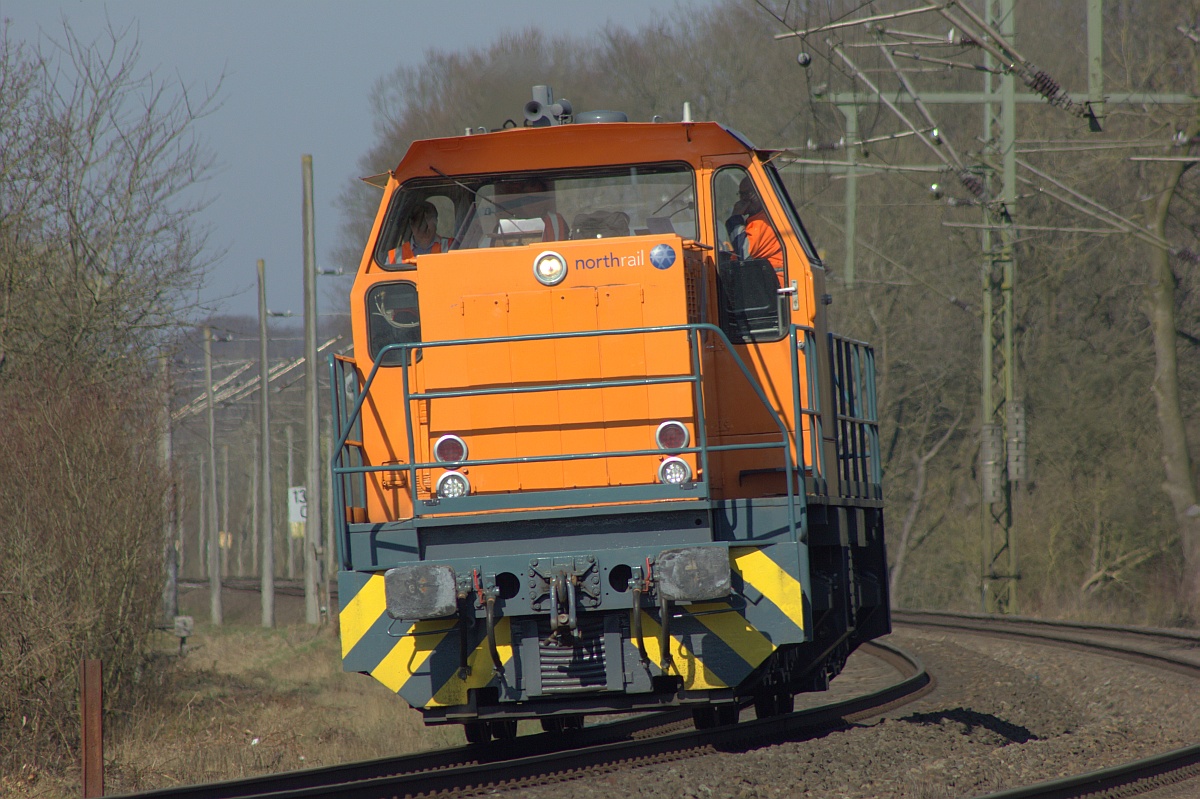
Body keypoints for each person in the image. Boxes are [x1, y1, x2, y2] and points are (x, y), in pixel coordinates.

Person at [725, 177, 785, 286]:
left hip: (772, 289)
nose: (743, 200)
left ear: (761, 193)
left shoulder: (764, 221)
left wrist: (735, 218)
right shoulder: (754, 221)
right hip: (764, 284)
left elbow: (744, 252)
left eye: (748, 194)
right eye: (741, 195)